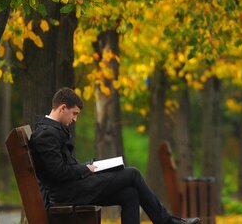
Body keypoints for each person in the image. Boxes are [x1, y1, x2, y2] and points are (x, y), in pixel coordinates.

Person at [30, 88, 200, 224]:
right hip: (64, 194)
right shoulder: (46, 134)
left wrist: (89, 166)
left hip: (71, 188)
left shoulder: (51, 131)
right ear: (62, 108)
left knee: (130, 194)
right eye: (74, 114)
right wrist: (86, 169)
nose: (75, 119)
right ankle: (166, 222)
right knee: (132, 173)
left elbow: (62, 168)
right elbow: (58, 173)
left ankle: (166, 221)